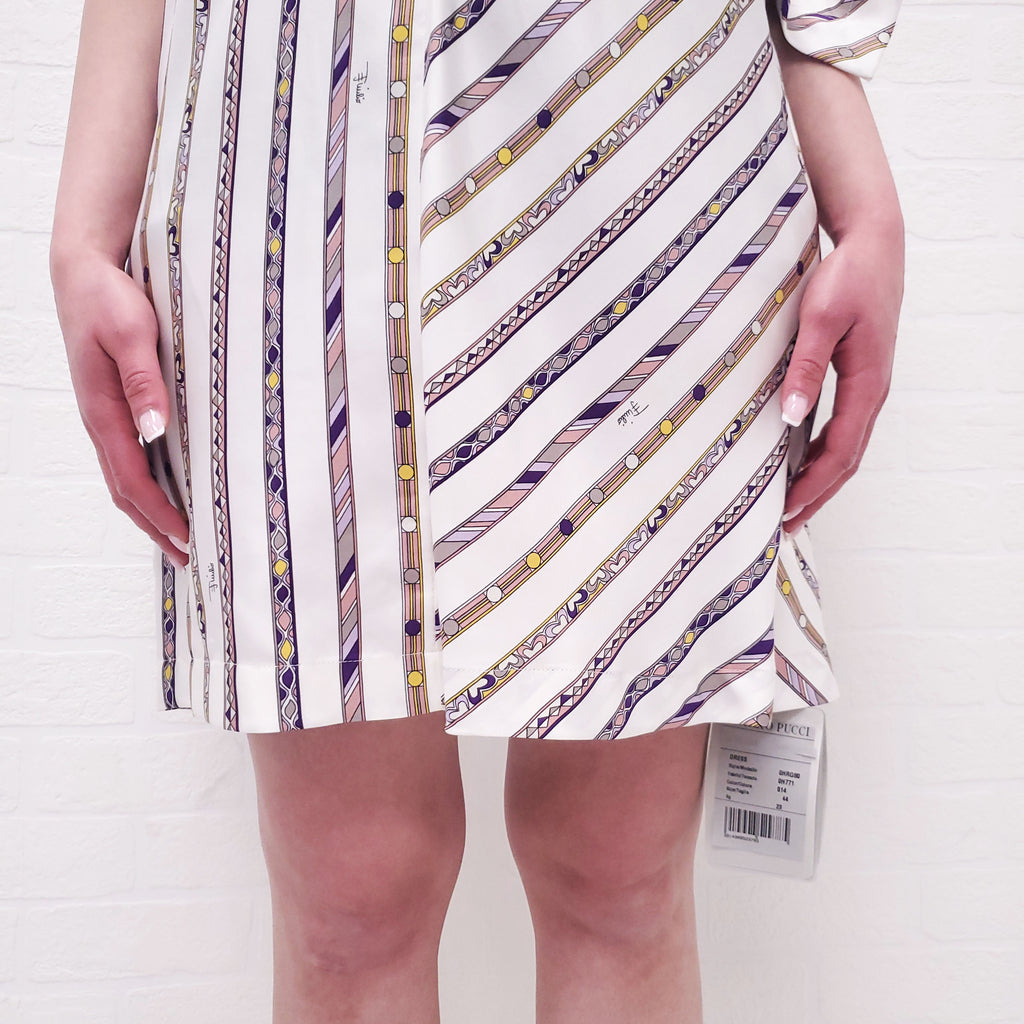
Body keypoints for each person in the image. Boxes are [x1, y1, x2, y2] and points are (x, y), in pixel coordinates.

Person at [49, 0, 904, 1020]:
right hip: (294, 156)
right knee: (351, 900)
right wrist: (86, 214)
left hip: (653, 153)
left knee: (615, 877)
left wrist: (861, 191)